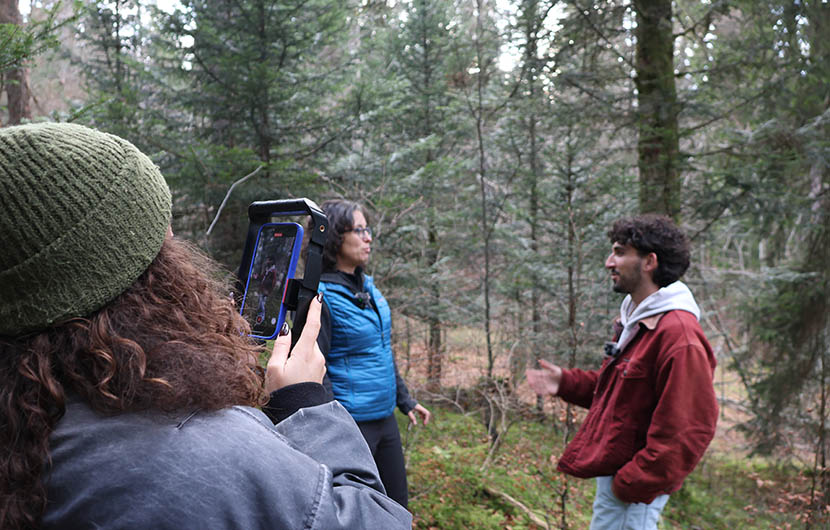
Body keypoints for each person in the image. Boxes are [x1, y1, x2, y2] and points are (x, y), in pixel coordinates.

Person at [0, 122, 412, 529]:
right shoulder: (214, 451)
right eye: (165, 238)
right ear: (148, 282)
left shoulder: (28, 425)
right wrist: (306, 404)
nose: (178, 247)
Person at [526, 214, 718, 530]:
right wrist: (565, 382)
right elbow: (621, 395)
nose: (608, 262)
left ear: (649, 262)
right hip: (620, 478)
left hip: (634, 492)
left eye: (619, 252)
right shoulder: (637, 321)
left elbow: (689, 428)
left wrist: (633, 483)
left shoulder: (678, 335)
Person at [314, 199, 431, 509]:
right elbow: (317, 368)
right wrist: (333, 427)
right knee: (358, 511)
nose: (368, 238)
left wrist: (405, 400)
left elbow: (379, 349)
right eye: (360, 230)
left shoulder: (367, 288)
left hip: (385, 418)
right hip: (353, 426)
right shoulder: (321, 297)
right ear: (336, 237)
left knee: (398, 508)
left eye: (369, 230)